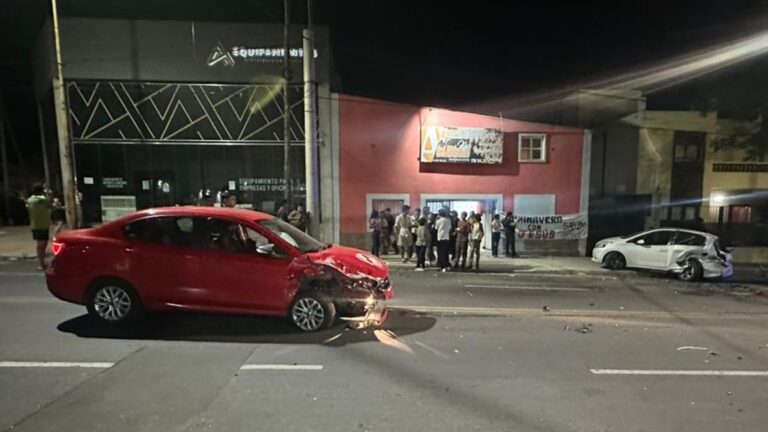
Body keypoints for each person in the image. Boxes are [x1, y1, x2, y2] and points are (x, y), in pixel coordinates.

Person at [26, 184, 51, 270]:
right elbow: (49, 204)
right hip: (42, 225)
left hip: (35, 225)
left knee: (40, 245)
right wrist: (47, 193)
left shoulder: (30, 200)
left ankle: (42, 262)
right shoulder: (42, 200)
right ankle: (42, 264)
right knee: (42, 245)